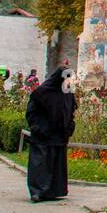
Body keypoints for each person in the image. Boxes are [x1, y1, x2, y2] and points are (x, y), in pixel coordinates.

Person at [25, 67, 77, 202]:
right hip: (43, 135)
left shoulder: (67, 93)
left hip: (59, 136)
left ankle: (53, 191)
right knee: (40, 165)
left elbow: (70, 111)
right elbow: (31, 112)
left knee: (56, 165)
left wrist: (69, 126)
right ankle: (37, 192)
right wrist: (38, 128)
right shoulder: (42, 92)